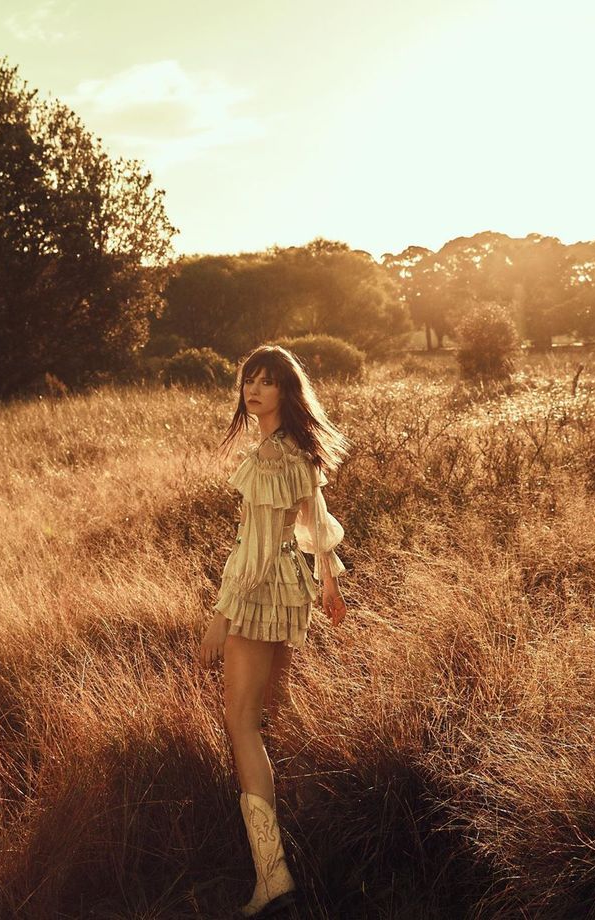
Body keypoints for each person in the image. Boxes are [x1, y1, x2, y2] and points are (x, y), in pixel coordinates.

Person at [199, 344, 351, 918]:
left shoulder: (270, 454)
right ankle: (306, 838)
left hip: (261, 592)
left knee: (240, 720)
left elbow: (256, 549)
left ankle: (273, 875)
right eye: (248, 382)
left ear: (288, 391)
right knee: (270, 716)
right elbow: (315, 517)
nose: (254, 391)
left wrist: (222, 614)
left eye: (267, 382)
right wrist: (328, 583)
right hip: (291, 590)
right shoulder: (300, 449)